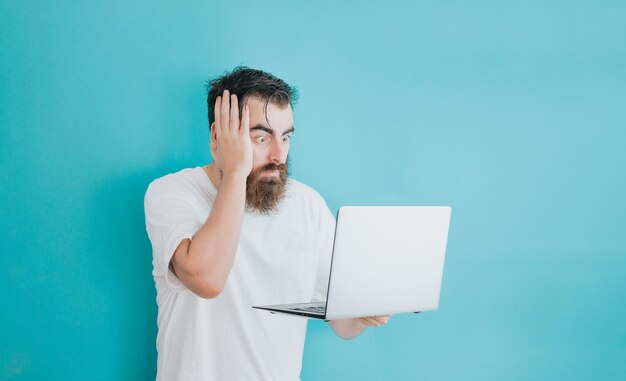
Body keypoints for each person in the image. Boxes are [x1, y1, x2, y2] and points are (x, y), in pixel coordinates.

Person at [144, 67, 389, 381]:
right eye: (261, 137)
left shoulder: (308, 205)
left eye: (285, 137)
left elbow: (342, 325)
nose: (279, 155)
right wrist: (234, 172)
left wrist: (366, 311)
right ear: (219, 137)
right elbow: (207, 278)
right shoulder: (172, 193)